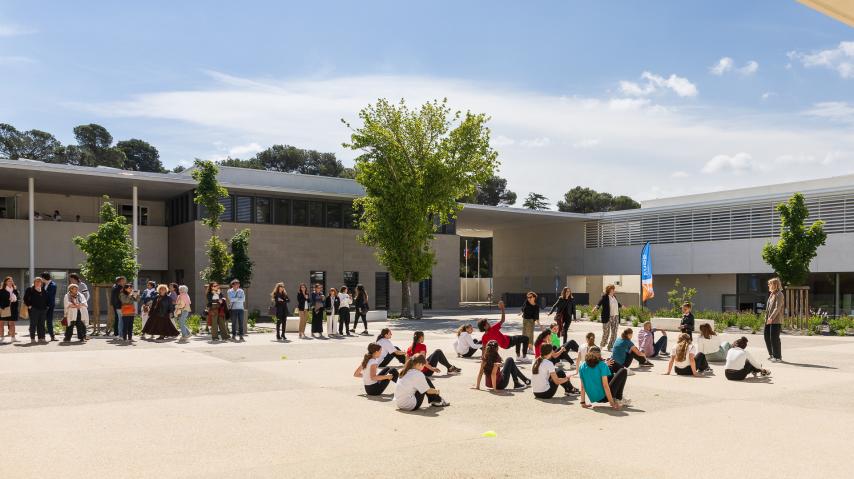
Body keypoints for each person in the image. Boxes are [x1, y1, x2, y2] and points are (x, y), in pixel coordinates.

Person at [592, 284, 621, 350]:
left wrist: (622, 306)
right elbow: (599, 303)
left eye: (613, 289)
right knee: (606, 332)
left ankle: (610, 346)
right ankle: (602, 345)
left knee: (614, 333)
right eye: (612, 289)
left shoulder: (614, 297)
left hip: (615, 316)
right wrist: (595, 308)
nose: (613, 290)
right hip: (607, 317)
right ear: (609, 290)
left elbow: (617, 303)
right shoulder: (605, 297)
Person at [765, 277, 784, 362]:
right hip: (768, 320)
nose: (768, 285)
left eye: (770, 284)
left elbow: (777, 307)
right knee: (767, 337)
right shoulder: (771, 294)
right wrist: (767, 318)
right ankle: (772, 354)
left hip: (775, 320)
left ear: (775, 285)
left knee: (774, 338)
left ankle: (778, 357)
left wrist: (771, 317)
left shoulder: (779, 294)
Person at [24, 277, 49, 343]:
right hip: (34, 310)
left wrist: (47, 306)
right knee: (33, 324)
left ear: (41, 283)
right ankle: (32, 338)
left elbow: (46, 299)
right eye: (36, 281)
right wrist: (29, 306)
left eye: (39, 282)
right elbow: (25, 298)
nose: (38, 283)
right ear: (34, 282)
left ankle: (41, 338)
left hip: (43, 310)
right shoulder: (30, 289)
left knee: (42, 324)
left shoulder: (43, 290)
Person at [0, 276, 20, 342]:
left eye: (11, 281)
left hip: (13, 308)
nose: (10, 282)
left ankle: (13, 338)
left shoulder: (15, 290)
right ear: (5, 282)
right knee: (1, 323)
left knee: (12, 323)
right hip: (4, 308)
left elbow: (18, 298)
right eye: (9, 281)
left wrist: (15, 299)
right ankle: (2, 337)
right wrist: (6, 301)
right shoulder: (1, 290)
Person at [40, 272, 57, 341]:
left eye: (41, 278)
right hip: (42, 306)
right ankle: (42, 337)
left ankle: (52, 336)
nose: (41, 279)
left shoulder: (53, 285)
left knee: (49, 321)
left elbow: (49, 295)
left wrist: (41, 292)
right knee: (41, 321)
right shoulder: (43, 284)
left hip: (49, 306)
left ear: (44, 278)